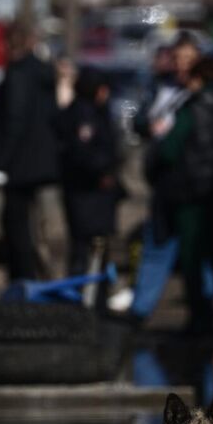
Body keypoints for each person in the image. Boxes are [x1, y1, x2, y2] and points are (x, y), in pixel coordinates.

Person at [114, 38, 213, 321]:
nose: (180, 65)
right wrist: (147, 125)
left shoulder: (205, 98)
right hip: (167, 185)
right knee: (156, 247)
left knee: (197, 252)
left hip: (192, 186)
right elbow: (138, 119)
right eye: (177, 58)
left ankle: (207, 310)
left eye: (187, 59)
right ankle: (140, 311)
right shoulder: (161, 89)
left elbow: (192, 144)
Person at [154, 53, 213, 333]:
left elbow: (169, 149)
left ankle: (200, 318)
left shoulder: (192, 108)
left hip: (193, 192)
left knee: (192, 258)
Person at [0, 19, 61, 282]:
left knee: (15, 224)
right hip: (41, 161)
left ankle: (23, 278)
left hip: (19, 163)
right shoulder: (44, 72)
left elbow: (14, 121)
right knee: (34, 225)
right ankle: (37, 274)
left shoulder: (17, 74)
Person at [55, 67, 122, 281]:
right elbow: (83, 153)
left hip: (86, 191)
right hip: (88, 192)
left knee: (91, 248)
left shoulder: (87, 111)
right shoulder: (85, 114)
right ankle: (87, 298)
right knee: (88, 249)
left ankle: (92, 295)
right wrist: (103, 170)